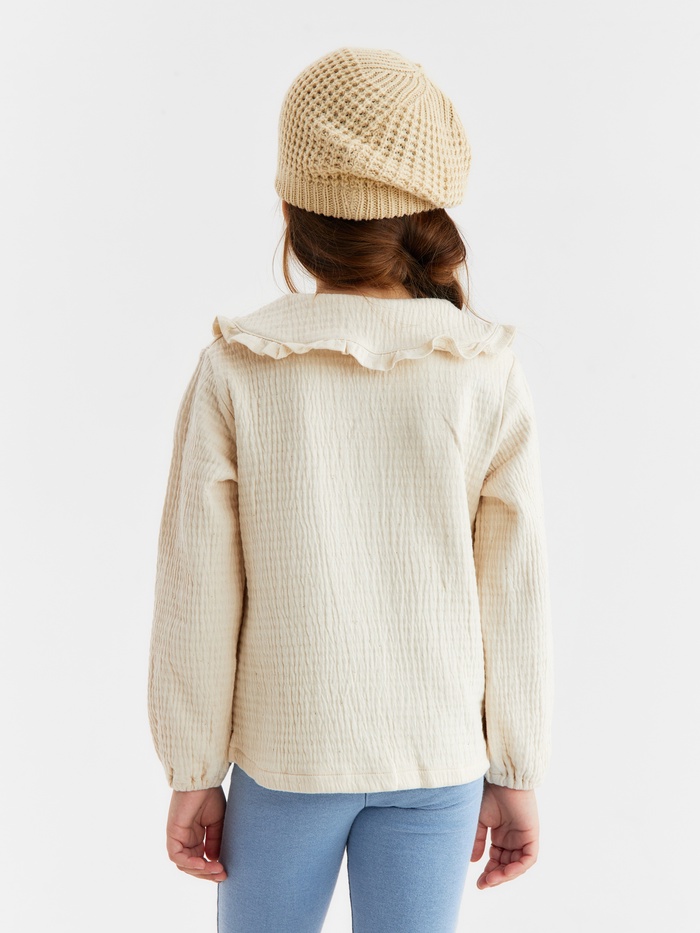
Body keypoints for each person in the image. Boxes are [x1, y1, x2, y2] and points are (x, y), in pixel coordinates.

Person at [147, 46, 555, 933]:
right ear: (429, 210)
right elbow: (515, 588)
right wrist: (516, 767)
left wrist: (192, 767)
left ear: (292, 210)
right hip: (437, 756)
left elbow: (196, 586)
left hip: (287, 754)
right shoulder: (484, 366)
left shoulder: (238, 365)